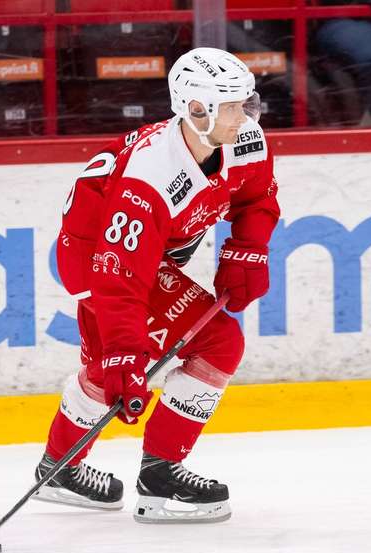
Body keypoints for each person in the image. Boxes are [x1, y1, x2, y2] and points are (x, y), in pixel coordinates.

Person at [32, 47, 280, 524]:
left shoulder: (244, 138)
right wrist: (126, 351)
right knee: (130, 367)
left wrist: (247, 249)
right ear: (195, 109)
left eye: (246, 103)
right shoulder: (149, 176)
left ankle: (64, 468)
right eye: (231, 106)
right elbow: (120, 277)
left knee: (188, 350)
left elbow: (256, 195)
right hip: (96, 261)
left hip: (147, 256)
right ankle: (156, 478)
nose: (245, 116)